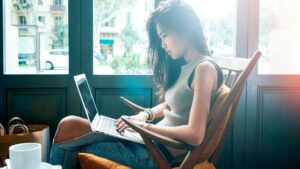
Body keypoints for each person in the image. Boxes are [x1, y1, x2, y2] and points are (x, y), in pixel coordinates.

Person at [49, 0, 224, 169]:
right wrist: (144, 116)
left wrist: (146, 128)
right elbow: (172, 105)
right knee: (68, 124)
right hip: (147, 140)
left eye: (164, 36)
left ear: (184, 29)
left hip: (156, 153)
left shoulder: (204, 69)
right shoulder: (186, 66)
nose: (162, 44)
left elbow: (195, 135)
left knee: (69, 142)